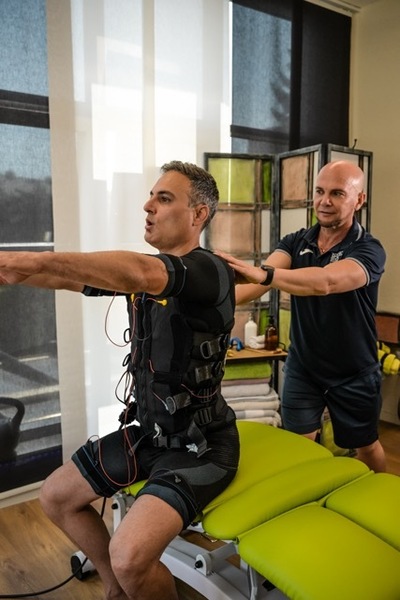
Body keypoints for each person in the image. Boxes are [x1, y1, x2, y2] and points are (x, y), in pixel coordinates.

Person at [0, 161, 239, 600]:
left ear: (198, 214)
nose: (148, 206)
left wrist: (30, 259)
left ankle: (127, 576)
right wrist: (16, 271)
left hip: (203, 446)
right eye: (151, 196)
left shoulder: (209, 270)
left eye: (164, 198)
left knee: (129, 555)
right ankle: (116, 587)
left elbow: (141, 273)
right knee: (55, 496)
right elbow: (71, 277)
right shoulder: (149, 276)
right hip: (151, 435)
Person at [217, 160, 386, 473]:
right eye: (319, 191)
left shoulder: (369, 250)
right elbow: (256, 285)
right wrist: (212, 304)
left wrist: (264, 274)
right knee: (298, 446)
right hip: (304, 368)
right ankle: (309, 496)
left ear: (359, 200)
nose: (324, 201)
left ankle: (383, 495)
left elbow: (325, 282)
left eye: (337, 193)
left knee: (366, 446)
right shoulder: (296, 241)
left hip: (354, 372)